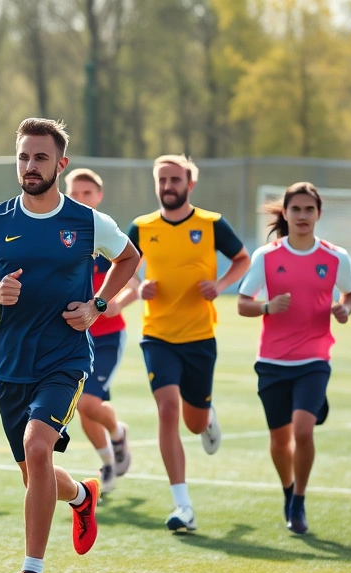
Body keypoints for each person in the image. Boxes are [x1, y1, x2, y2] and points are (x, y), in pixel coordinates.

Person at [0, 118, 140, 573]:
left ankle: (32, 568)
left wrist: (98, 305)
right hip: (12, 365)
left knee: (37, 448)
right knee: (33, 474)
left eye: (40, 157)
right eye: (23, 156)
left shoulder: (86, 220)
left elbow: (129, 258)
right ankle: (82, 495)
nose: (30, 165)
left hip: (66, 358)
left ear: (61, 164)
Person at [127, 154, 250, 531]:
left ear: (189, 184)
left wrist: (221, 286)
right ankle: (183, 506)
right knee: (167, 409)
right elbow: (122, 266)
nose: (168, 186)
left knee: (193, 423)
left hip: (199, 337)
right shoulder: (141, 227)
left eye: (175, 180)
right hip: (157, 335)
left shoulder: (212, 224)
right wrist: (137, 286)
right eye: (162, 180)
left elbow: (242, 259)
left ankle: (206, 417)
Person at [236, 182, 351, 535]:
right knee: (279, 440)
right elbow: (243, 304)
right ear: (286, 214)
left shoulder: (336, 257)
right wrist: (266, 307)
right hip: (272, 362)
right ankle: (288, 491)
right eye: (296, 209)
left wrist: (345, 309)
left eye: (309, 210)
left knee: (303, 431)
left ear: (318, 214)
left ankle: (300, 500)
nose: (303, 216)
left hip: (314, 358)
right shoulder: (267, 256)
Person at [64, 168, 137, 493]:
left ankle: (118, 432)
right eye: (74, 193)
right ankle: (108, 463)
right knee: (83, 409)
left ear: (99, 196)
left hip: (107, 336)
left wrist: (114, 303)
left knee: (87, 403)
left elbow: (133, 285)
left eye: (87, 193)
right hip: (74, 336)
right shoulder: (62, 234)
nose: (80, 199)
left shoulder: (106, 233)